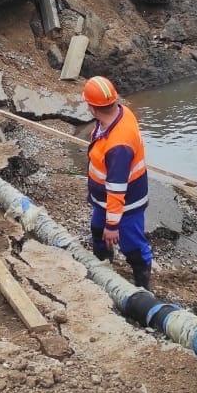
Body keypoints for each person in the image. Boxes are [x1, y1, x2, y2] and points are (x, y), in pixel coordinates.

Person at [83, 76, 152, 289]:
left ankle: (143, 283)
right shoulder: (120, 114)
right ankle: (104, 267)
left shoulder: (118, 145)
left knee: (132, 245)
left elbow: (117, 188)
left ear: (93, 109)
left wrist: (112, 225)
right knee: (97, 231)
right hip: (104, 201)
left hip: (126, 204)